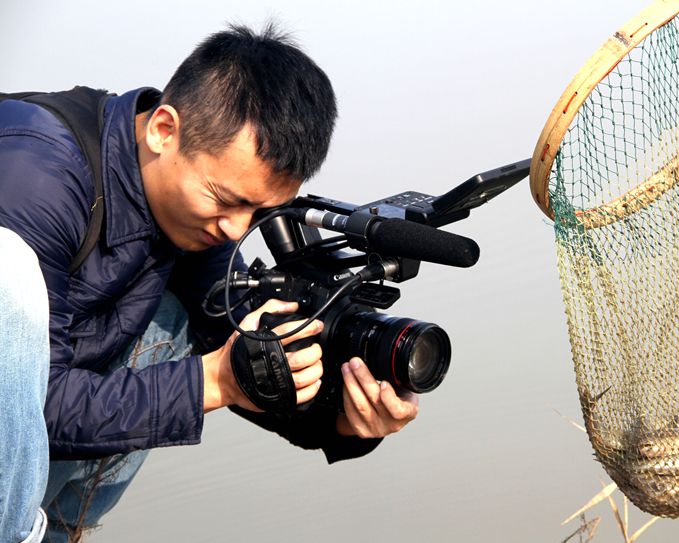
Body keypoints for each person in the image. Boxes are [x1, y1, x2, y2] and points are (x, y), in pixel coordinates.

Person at [0, 24, 419, 542]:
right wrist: (215, 382)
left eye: (259, 210)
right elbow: (27, 406)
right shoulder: (34, 178)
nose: (237, 230)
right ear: (163, 130)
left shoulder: (192, 216)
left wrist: (346, 420)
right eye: (226, 199)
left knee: (180, 323)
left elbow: (242, 359)